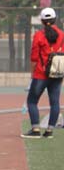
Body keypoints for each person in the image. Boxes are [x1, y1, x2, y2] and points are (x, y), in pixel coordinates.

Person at [22, 7, 63, 139]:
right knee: (55, 102)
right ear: (55, 19)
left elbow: (34, 57)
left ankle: (35, 129)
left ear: (42, 21)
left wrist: (32, 74)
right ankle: (50, 131)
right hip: (57, 74)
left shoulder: (39, 35)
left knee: (32, 101)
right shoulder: (62, 35)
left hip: (41, 73)